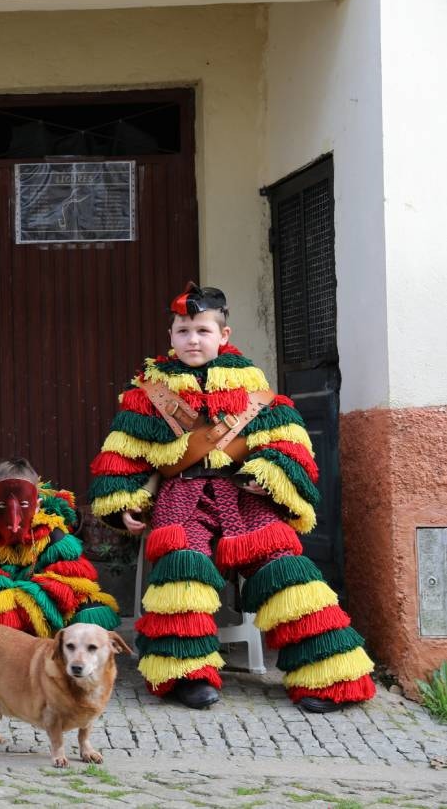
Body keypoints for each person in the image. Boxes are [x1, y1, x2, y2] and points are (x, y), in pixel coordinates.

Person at [87, 282, 375, 712]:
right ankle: (187, 675)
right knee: (182, 564)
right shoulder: (146, 394)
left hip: (244, 496)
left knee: (285, 565)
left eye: (202, 330)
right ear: (170, 337)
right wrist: (125, 502)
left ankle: (329, 676)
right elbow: (122, 454)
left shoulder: (254, 387)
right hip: (181, 495)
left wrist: (269, 474)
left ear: (223, 335)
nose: (192, 339)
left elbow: (290, 442)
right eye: (183, 331)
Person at [0, 458, 120, 635]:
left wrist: (25, 598)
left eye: (23, 504)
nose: (14, 521)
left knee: (88, 611)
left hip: (45, 616)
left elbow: (68, 586)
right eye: (1, 506)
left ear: (37, 506)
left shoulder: (54, 536)